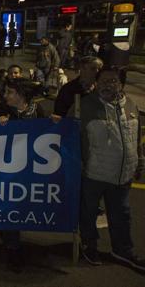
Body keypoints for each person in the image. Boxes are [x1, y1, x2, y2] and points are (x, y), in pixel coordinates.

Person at [77, 68, 144, 272]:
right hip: (93, 174)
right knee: (88, 212)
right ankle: (89, 245)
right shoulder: (84, 106)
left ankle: (123, 250)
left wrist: (139, 161)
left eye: (113, 81)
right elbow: (69, 136)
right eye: (103, 80)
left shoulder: (131, 105)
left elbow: (136, 137)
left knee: (121, 214)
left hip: (122, 175)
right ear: (96, 83)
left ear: (121, 85)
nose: (107, 85)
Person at [0, 77, 45, 273]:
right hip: (5, 172)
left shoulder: (37, 112)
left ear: (21, 95)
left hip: (29, 170)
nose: (5, 96)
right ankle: (13, 248)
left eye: (10, 92)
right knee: (10, 205)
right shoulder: (0, 111)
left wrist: (56, 124)